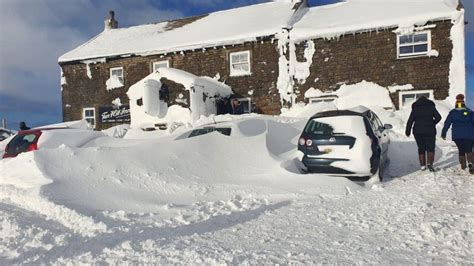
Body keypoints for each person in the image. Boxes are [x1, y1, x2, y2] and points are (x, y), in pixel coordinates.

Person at [405, 96, 442, 172]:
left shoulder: (415, 109)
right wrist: (433, 123)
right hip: (430, 130)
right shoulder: (431, 107)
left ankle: (422, 166)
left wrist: (407, 131)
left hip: (418, 131)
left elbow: (410, 121)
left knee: (421, 148)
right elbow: (438, 117)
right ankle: (430, 164)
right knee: (430, 148)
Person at [441, 94, 474, 174]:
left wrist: (443, 133)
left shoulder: (452, 113)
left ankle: (463, 165)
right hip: (469, 134)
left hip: (457, 135)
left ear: (456, 102)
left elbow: (447, 123)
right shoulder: (470, 112)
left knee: (461, 149)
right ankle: (471, 163)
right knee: (469, 149)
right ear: (463, 101)